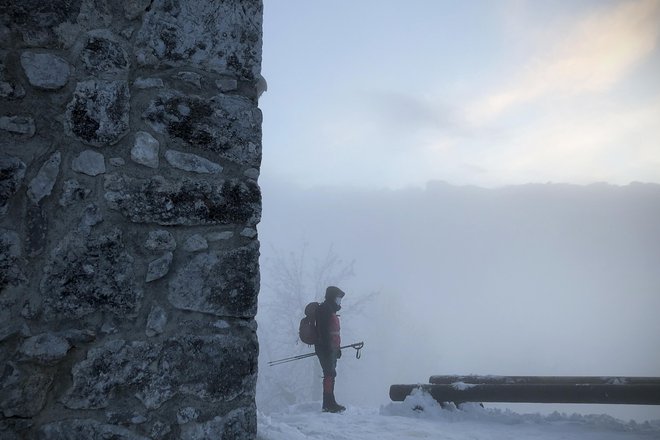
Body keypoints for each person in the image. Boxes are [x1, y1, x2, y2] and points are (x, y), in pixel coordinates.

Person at [314, 285, 346, 413]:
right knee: (329, 374)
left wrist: (336, 348)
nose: (339, 300)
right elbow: (324, 330)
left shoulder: (329, 309)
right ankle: (328, 403)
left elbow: (333, 332)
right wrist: (328, 347)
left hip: (330, 348)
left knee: (330, 374)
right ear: (333, 297)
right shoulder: (325, 309)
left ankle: (330, 402)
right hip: (326, 348)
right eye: (338, 297)